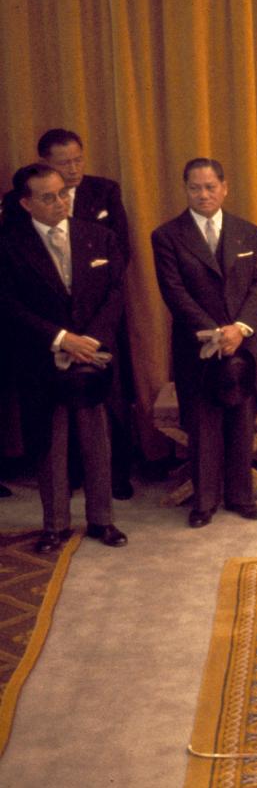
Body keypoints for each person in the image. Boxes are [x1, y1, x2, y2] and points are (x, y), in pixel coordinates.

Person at [0, 164, 127, 552]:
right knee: (51, 444)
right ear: (26, 203)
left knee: (97, 441)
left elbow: (116, 294)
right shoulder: (8, 245)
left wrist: (90, 341)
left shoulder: (99, 237)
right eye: (48, 197)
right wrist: (61, 339)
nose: (60, 202)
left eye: (62, 193)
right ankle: (54, 526)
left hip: (93, 356)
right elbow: (8, 306)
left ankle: (101, 521)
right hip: (43, 358)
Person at [151, 158, 257, 528]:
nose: (203, 194)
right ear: (185, 189)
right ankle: (203, 502)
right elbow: (175, 293)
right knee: (202, 425)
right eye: (195, 188)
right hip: (196, 346)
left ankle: (241, 496)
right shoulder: (167, 236)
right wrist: (216, 333)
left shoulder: (248, 232)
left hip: (243, 345)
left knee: (242, 421)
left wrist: (241, 329)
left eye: (210, 187)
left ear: (225, 187)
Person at [37, 129, 136, 500]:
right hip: (53, 323)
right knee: (58, 405)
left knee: (111, 396)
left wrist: (94, 328)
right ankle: (73, 474)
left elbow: (120, 254)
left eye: (79, 158)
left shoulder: (104, 191)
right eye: (65, 163)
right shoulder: (23, 198)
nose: (75, 168)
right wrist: (63, 333)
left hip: (101, 317)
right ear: (46, 163)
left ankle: (118, 474)